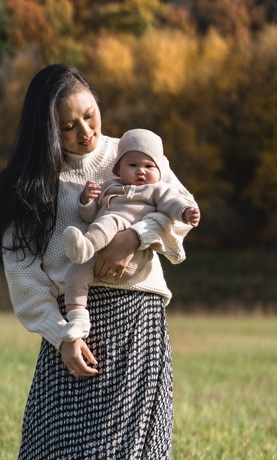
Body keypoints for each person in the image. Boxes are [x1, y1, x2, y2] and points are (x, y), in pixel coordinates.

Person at [0, 64, 198, 460]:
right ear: (44, 132)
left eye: (90, 115)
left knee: (144, 456)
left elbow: (175, 212)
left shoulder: (129, 152)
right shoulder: (30, 186)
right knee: (48, 453)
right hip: (72, 326)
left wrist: (133, 235)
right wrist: (59, 338)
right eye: (67, 126)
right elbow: (26, 278)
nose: (84, 132)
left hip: (139, 320)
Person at [62, 128, 200, 341]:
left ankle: (85, 246)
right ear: (118, 168)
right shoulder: (109, 187)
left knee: (110, 220)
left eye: (148, 166)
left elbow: (173, 204)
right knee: (75, 274)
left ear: (160, 170)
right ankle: (78, 319)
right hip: (101, 255)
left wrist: (185, 212)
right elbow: (90, 216)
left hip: (133, 259)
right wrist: (86, 201)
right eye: (133, 165)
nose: (141, 172)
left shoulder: (157, 190)